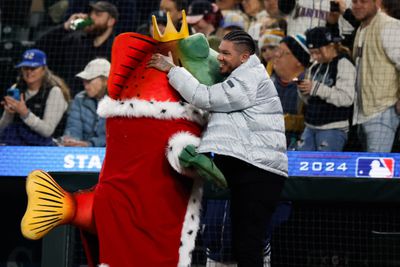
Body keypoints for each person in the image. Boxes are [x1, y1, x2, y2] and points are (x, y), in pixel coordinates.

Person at [148, 30, 288, 267]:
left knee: (248, 243)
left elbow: (206, 97)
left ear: (244, 57)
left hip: (261, 171)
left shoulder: (250, 77)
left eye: (225, 53)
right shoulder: (238, 74)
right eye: (219, 51)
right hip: (249, 167)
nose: (219, 57)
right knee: (242, 241)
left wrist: (172, 70)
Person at [36, 1, 118, 96]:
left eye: (98, 14)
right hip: (66, 97)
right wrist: (65, 27)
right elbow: (40, 46)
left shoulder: (117, 50)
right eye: (91, 13)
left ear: (111, 21)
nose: (92, 17)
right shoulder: (75, 41)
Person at [351, 0, 400, 152]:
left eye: (363, 1)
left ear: (377, 2)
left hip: (383, 109)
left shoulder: (388, 26)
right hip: (362, 113)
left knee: (376, 169)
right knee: (368, 170)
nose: (357, 5)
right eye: (354, 2)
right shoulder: (361, 28)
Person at [296, 26, 355, 151]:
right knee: (300, 168)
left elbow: (346, 99)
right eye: (312, 53)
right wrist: (304, 91)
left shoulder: (343, 64)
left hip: (333, 128)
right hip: (310, 127)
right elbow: (309, 100)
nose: (315, 57)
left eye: (318, 52)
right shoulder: (315, 67)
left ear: (330, 45)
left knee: (323, 170)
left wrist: (316, 88)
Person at [0, 49, 70, 146]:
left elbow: (47, 131)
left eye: (33, 68)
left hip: (46, 147)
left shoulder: (54, 92)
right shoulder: (16, 88)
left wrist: (25, 113)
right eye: (25, 68)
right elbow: (2, 129)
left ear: (43, 69)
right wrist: (8, 113)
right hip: (17, 143)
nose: (29, 72)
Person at [272, 34, 310, 148]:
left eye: (283, 53)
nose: (276, 55)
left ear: (299, 61)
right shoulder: (269, 81)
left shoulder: (307, 85)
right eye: (277, 50)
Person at [60, 58, 110, 147]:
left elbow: (116, 137)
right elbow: (73, 127)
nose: (85, 86)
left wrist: (90, 145)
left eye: (89, 80)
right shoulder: (79, 99)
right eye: (84, 81)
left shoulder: (120, 102)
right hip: (82, 153)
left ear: (105, 80)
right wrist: (72, 140)